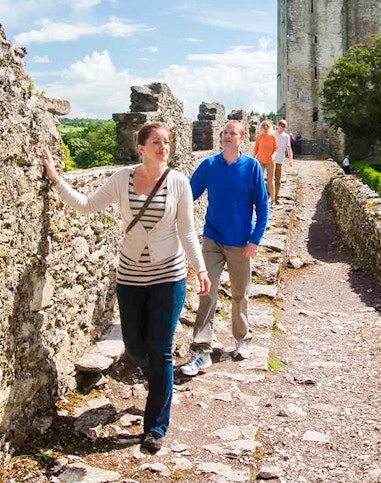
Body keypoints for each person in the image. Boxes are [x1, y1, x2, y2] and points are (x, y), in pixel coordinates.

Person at [44, 123, 210, 454]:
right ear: (142, 147)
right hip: (131, 277)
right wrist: (56, 179)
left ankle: (156, 426)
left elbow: (188, 232)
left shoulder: (178, 183)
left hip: (169, 276)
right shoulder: (123, 179)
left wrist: (200, 268)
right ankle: (160, 386)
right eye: (156, 142)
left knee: (161, 349)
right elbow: (86, 204)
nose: (163, 147)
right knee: (135, 347)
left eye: (167, 142)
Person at [180, 120, 269, 376]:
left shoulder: (250, 167)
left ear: (242, 139)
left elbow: (262, 206)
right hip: (213, 239)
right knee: (207, 292)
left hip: (241, 242)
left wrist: (255, 239)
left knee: (240, 294)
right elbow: (188, 193)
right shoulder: (209, 165)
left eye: (233, 133)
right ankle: (201, 351)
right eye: (225, 133)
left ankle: (243, 339)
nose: (228, 136)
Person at [253, 119, 278, 205]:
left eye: (267, 126)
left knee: (270, 181)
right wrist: (251, 160)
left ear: (270, 127)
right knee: (259, 180)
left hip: (270, 162)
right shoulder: (259, 137)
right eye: (264, 126)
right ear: (261, 127)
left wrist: (274, 155)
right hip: (260, 161)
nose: (266, 128)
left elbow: (276, 149)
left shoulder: (272, 137)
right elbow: (255, 149)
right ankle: (260, 199)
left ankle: (273, 200)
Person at [273, 119, 293, 204]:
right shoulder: (273, 134)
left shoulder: (286, 136)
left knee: (278, 180)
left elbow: (289, 148)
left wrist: (291, 159)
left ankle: (276, 197)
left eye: (283, 128)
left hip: (280, 160)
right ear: (278, 126)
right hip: (271, 160)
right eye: (280, 127)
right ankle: (269, 196)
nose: (281, 129)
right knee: (270, 180)